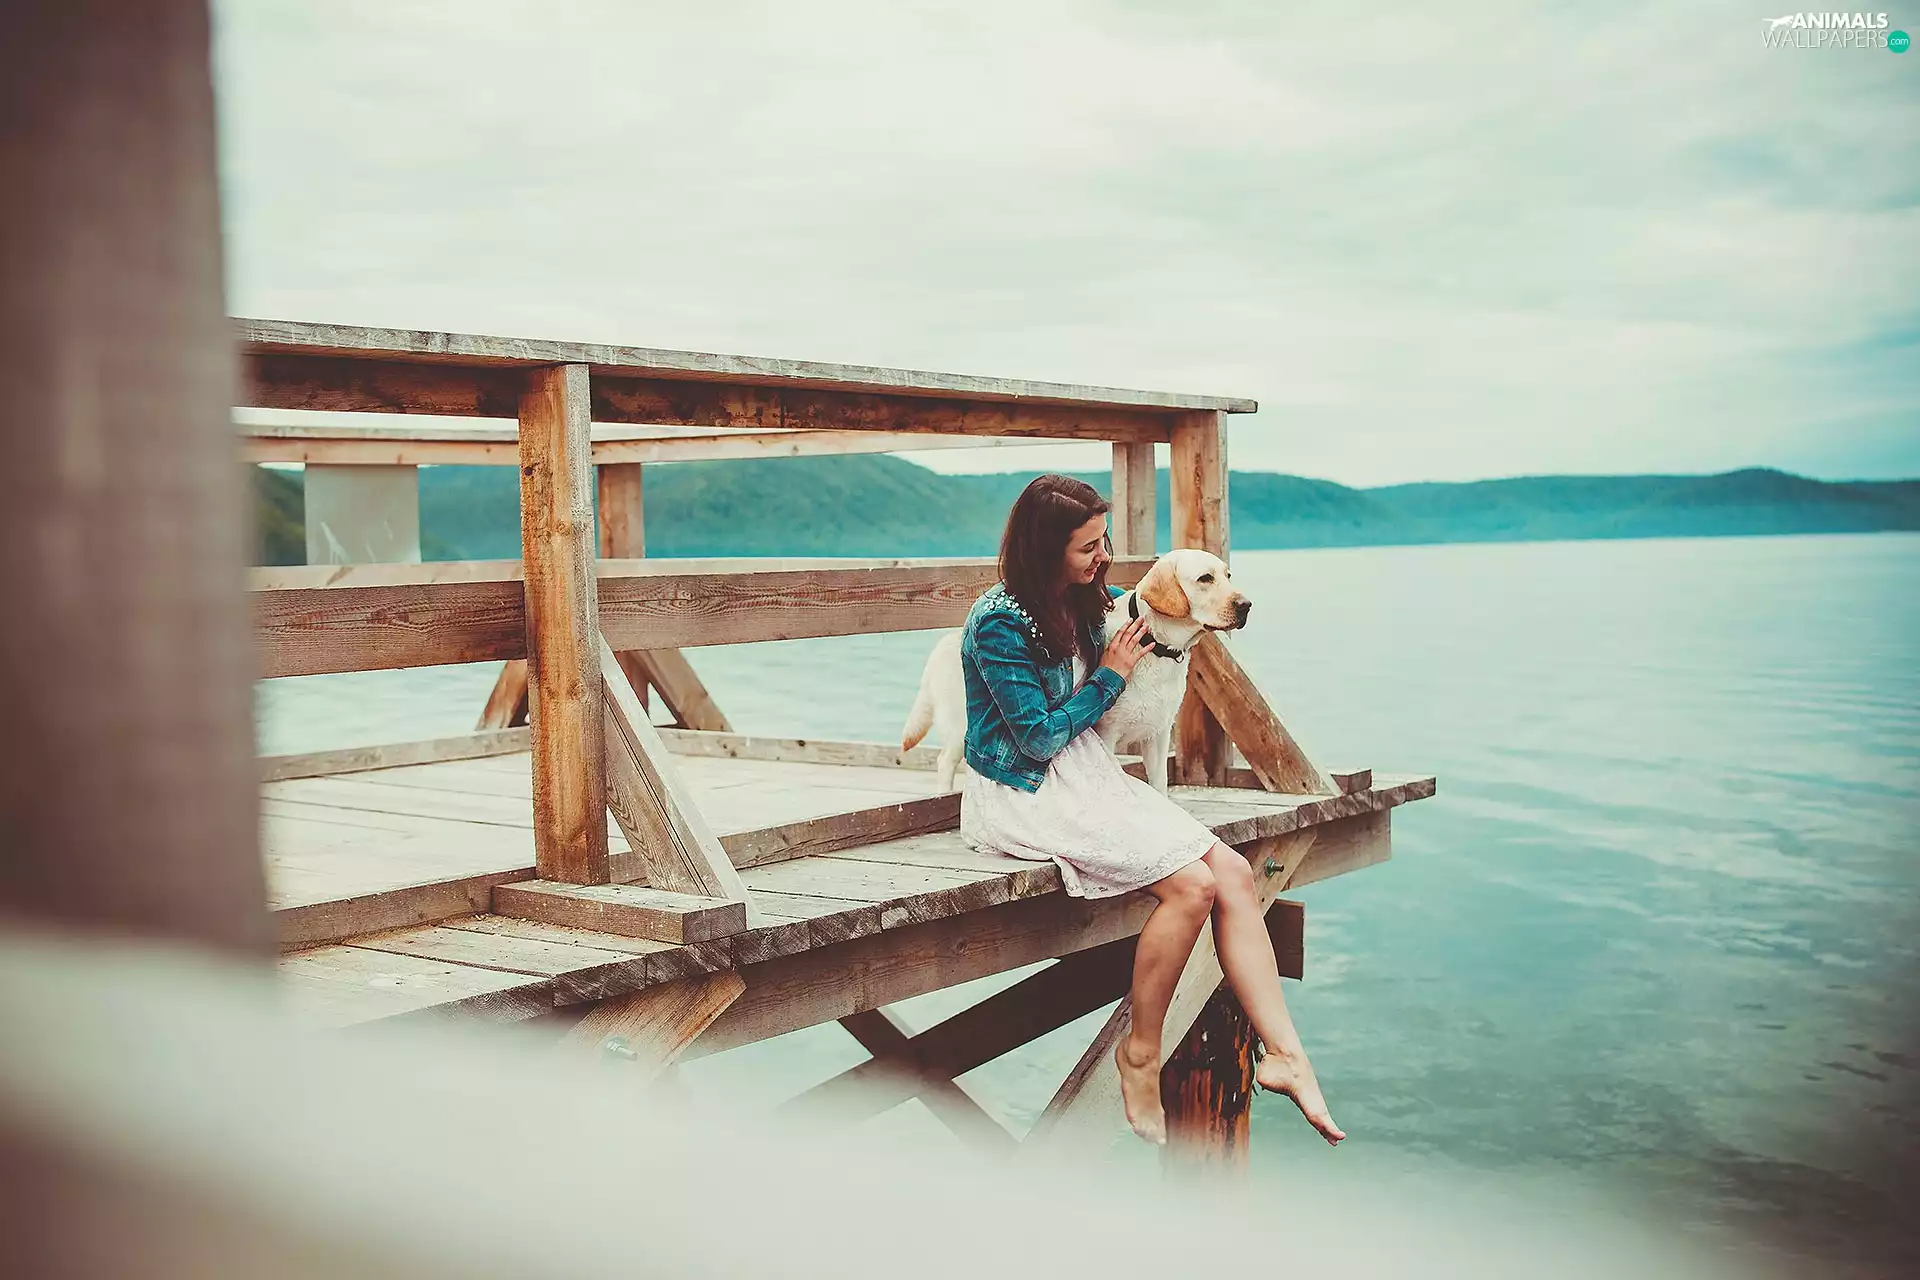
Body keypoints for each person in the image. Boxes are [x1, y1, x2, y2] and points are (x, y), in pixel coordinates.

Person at [957, 474, 1344, 1147]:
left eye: (1103, 542)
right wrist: (1109, 674)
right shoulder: (997, 623)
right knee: (1191, 887)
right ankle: (1141, 1051)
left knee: (1234, 874)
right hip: (1022, 789)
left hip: (1084, 773)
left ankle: (1287, 1055)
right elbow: (1040, 737)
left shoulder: (1083, 595)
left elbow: (1150, 614)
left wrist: (1185, 621)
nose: (1101, 559)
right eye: (1086, 549)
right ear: (1044, 551)